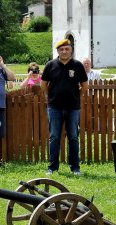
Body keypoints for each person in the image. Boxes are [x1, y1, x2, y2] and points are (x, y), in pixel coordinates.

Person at [41, 39, 88, 176]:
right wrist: (50, 96)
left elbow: (84, 86)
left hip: (73, 107)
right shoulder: (50, 65)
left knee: (73, 137)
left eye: (67, 49)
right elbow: (43, 85)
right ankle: (52, 167)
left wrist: (76, 96)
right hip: (54, 107)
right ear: (58, 51)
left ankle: (75, 167)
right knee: (54, 136)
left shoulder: (78, 65)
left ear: (71, 50)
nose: (64, 51)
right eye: (61, 49)